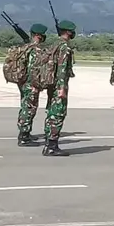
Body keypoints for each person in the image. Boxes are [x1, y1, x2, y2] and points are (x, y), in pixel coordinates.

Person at [43, 20, 76, 157]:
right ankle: (52, 146)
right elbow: (62, 68)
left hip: (52, 83)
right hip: (58, 84)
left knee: (51, 112)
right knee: (58, 114)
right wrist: (62, 87)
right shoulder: (64, 47)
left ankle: (48, 142)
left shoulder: (54, 44)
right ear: (68, 31)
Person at [17, 23, 49, 147]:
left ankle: (25, 132)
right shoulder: (35, 50)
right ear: (38, 35)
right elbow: (35, 69)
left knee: (25, 106)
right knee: (29, 109)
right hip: (31, 83)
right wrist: (37, 84)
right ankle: (24, 137)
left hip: (24, 82)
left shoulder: (26, 47)